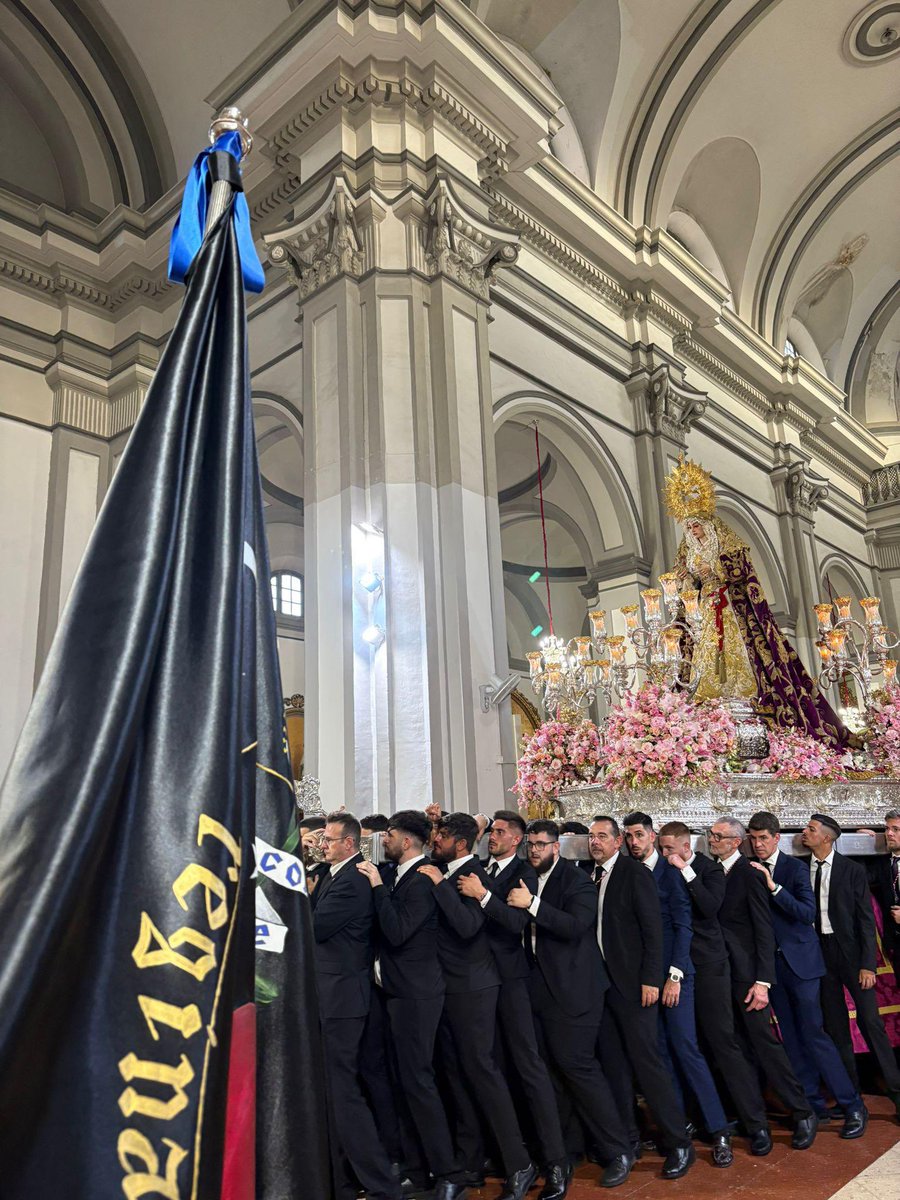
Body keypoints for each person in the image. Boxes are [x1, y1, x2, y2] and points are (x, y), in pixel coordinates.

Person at [665, 454, 850, 746]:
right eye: (689, 527)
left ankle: (746, 701)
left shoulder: (728, 543)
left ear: (708, 524)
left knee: (742, 651)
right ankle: (706, 702)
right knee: (700, 653)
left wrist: (714, 570)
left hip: (730, 606)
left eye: (697, 525)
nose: (693, 531)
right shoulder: (685, 553)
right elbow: (679, 583)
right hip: (702, 609)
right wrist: (691, 579)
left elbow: (742, 572)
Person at [507, 819, 634, 1190]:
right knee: (551, 1073)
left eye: (541, 845)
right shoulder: (526, 877)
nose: (534, 851)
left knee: (579, 1068)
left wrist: (532, 905)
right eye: (530, 844)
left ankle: (619, 1149)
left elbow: (576, 926)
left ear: (556, 847)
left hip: (577, 991)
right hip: (539, 989)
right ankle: (571, 1147)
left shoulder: (575, 880)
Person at [419, 813, 537, 1200]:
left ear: (462, 844)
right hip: (448, 987)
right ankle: (471, 1160)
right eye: (437, 833)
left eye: (444, 835)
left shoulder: (471, 873)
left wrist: (440, 887)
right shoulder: (444, 867)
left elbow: (469, 927)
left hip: (475, 986)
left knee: (483, 1072)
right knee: (458, 1074)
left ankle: (519, 1163)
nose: (436, 839)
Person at [456, 811, 570, 1200]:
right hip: (483, 982)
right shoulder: (480, 866)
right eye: (492, 831)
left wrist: (483, 896)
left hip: (513, 981)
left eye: (501, 832)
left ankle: (557, 1162)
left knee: (529, 1068)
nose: (493, 836)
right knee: (497, 1068)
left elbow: (515, 923)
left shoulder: (524, 873)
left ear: (518, 839)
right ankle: (514, 1157)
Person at [356, 810, 468, 1200]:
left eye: (388, 835)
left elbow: (399, 931)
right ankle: (417, 1170)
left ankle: (449, 1173)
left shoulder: (420, 881)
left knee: (419, 1083)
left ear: (406, 842)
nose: (382, 840)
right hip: (396, 993)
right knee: (404, 1083)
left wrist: (375, 887)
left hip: (418, 995)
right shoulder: (399, 875)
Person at [746, 811, 866, 1137]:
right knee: (792, 1041)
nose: (757, 845)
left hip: (803, 965)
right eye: (752, 839)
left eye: (763, 839)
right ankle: (812, 1107)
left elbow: (807, 913)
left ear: (775, 838)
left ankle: (852, 1105)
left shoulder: (794, 868)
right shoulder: (746, 869)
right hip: (771, 970)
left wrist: (773, 888)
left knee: (815, 1035)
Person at [623, 813, 732, 1167]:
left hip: (675, 977)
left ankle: (718, 1130)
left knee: (687, 1048)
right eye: (628, 836)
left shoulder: (670, 872)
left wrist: (675, 975)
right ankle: (678, 1126)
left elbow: (683, 925)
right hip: (644, 981)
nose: (633, 842)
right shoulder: (628, 873)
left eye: (638, 835)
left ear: (652, 837)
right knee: (659, 1054)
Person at [589, 816, 695, 1180]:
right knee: (615, 1069)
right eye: (591, 836)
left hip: (636, 987)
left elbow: (653, 929)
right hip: (604, 989)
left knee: (649, 1066)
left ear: (618, 841)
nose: (595, 842)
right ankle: (627, 1143)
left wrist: (652, 978)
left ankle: (679, 1142)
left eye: (602, 836)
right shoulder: (593, 875)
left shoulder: (634, 873)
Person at [658, 822, 772, 1155]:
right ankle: (705, 1120)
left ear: (683, 846)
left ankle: (756, 1124)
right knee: (692, 1046)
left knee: (724, 1043)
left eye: (669, 849)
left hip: (710, 967)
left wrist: (686, 872)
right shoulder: (659, 873)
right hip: (678, 969)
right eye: (662, 849)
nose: (665, 855)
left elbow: (709, 907)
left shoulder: (708, 869)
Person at [709, 817, 818, 1149]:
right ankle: (755, 1124)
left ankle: (802, 1112)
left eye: (717, 836)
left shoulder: (750, 873)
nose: (711, 839)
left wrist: (762, 981)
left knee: (765, 1045)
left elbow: (762, 930)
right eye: (710, 834)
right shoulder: (707, 871)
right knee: (733, 1048)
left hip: (747, 978)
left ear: (735, 842)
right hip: (718, 976)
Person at [311, 811, 401, 1200]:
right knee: (334, 1092)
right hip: (330, 994)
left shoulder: (353, 880)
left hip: (344, 999)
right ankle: (342, 1182)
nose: (322, 845)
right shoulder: (335, 874)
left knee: (343, 1092)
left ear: (349, 843)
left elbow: (315, 927)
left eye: (328, 840)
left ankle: (381, 1184)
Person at [802, 813, 900, 1118]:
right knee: (836, 1028)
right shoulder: (801, 868)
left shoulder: (851, 870)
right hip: (821, 956)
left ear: (828, 838)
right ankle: (851, 1098)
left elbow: (865, 920)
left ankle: (897, 1094)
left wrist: (867, 965)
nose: (805, 833)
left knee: (871, 1023)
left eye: (811, 830)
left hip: (852, 956)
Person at [867, 808, 900, 974]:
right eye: (887, 828)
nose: (889, 833)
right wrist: (863, 839)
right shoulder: (882, 864)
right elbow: (857, 877)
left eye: (896, 829)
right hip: (895, 945)